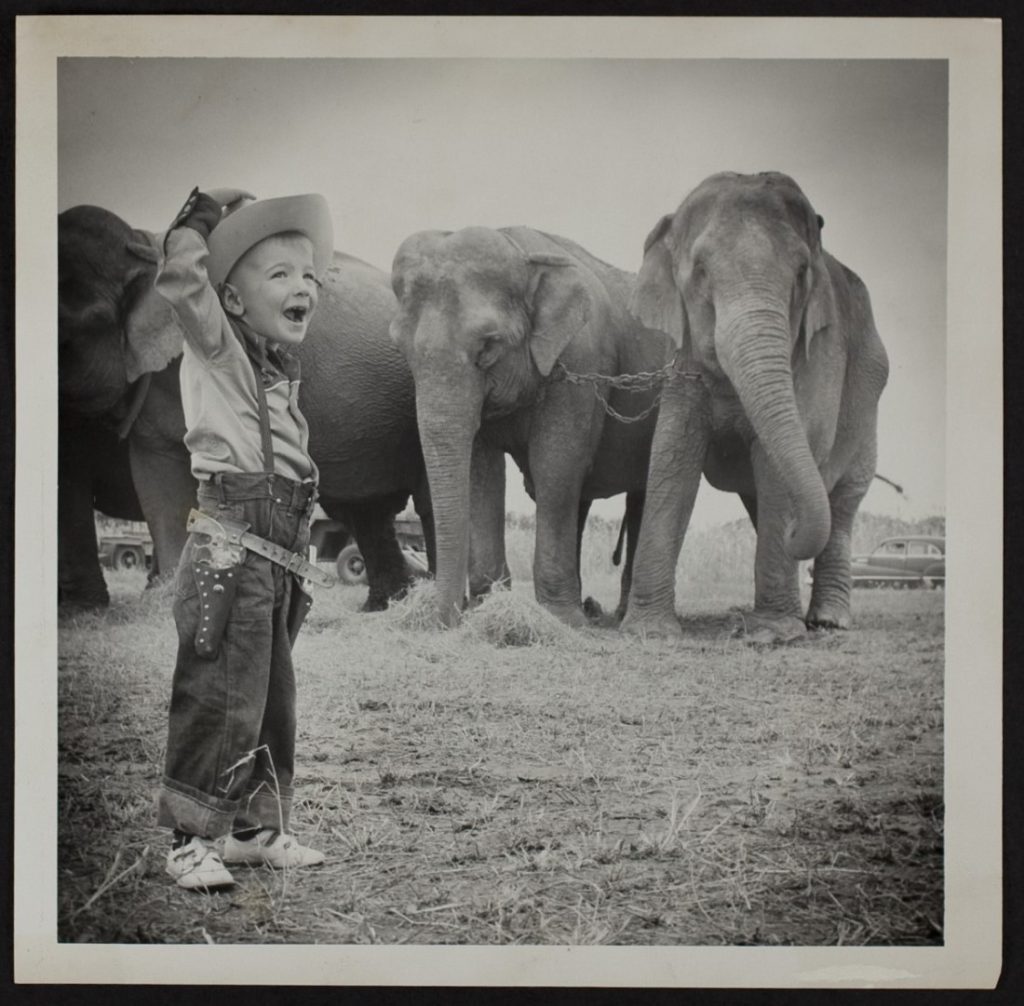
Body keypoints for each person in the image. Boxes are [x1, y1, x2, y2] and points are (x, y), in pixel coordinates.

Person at [154, 187, 336, 890]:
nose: (304, 287)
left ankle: (254, 831)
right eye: (281, 274)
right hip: (232, 545)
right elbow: (182, 280)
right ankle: (189, 839)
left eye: (310, 275)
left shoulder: (275, 373)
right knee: (218, 692)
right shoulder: (218, 350)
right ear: (230, 302)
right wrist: (203, 211)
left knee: (269, 697)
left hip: (278, 554)